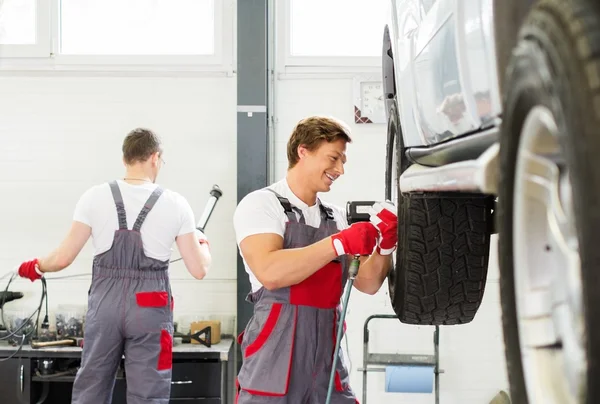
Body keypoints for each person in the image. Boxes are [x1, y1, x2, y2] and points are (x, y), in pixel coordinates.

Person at [16, 128, 212, 404]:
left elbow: (62, 258)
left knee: (92, 387)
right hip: (150, 306)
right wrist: (203, 246)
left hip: (105, 305)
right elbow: (199, 269)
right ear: (155, 158)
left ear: (125, 159)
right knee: (149, 394)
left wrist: (34, 267)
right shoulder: (176, 204)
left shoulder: (94, 197)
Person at [233, 116, 398, 403]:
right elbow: (270, 272)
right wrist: (337, 243)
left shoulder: (334, 216)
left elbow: (368, 283)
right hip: (275, 357)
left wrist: (385, 247)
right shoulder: (262, 204)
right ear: (303, 151)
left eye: (343, 161)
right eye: (333, 158)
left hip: (327, 357)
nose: (340, 169)